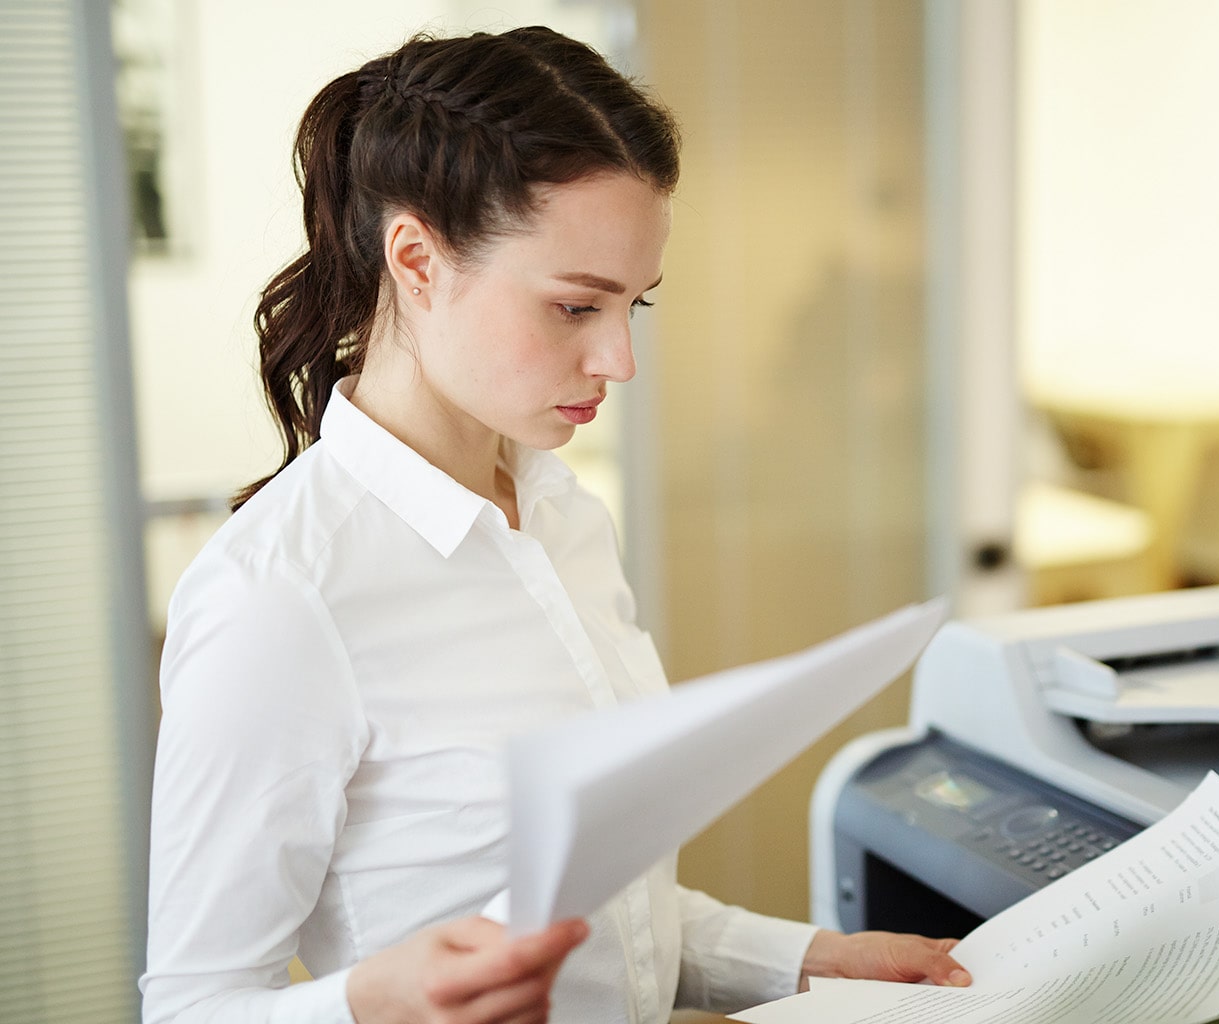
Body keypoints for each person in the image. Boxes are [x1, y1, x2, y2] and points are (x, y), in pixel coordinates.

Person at [140, 25, 970, 1024]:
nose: (618, 360)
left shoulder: (565, 518)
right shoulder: (277, 594)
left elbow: (612, 908)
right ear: (417, 259)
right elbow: (189, 1006)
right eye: (574, 307)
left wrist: (810, 957)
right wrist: (367, 1006)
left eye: (634, 307)